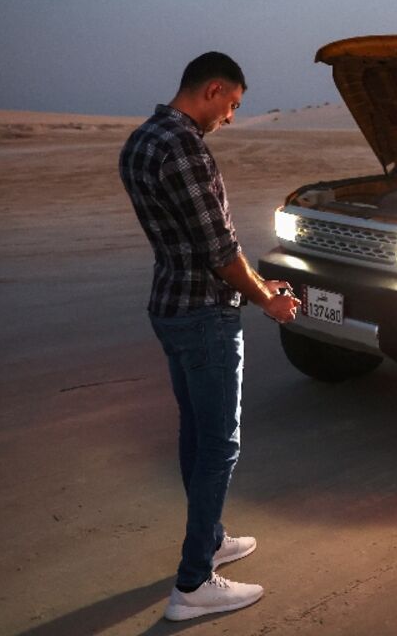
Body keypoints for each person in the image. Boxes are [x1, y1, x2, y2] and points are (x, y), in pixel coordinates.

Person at [119, 52, 300, 621]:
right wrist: (266, 298)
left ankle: (211, 537)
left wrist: (256, 282)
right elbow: (219, 250)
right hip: (204, 315)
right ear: (214, 89)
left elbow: (192, 242)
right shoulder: (184, 148)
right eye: (232, 105)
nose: (230, 118)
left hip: (170, 304)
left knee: (196, 432)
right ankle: (194, 582)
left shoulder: (142, 139)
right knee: (220, 444)